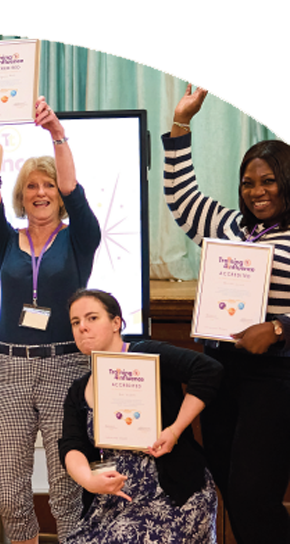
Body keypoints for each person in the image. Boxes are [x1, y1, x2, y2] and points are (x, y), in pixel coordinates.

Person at [163, 83, 290, 543]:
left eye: (268, 180)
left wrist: (279, 327)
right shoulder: (233, 227)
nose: (257, 192)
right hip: (220, 373)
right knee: (231, 490)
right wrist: (181, 122)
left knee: (255, 494)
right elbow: (182, 196)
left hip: (273, 379)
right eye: (248, 182)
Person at [0, 96, 101, 543]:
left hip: (65, 368)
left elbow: (74, 188)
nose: (41, 193)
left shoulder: (79, 238)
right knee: (11, 495)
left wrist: (56, 134)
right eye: (32, 186)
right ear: (23, 195)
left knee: (65, 490)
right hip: (9, 371)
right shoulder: (5, 241)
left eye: (47, 185)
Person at [59, 288, 223, 543]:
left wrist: (174, 430)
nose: (82, 328)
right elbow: (72, 446)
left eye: (92, 318)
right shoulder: (79, 390)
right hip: (113, 503)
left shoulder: (146, 354)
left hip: (173, 495)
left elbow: (208, 370)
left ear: (116, 323)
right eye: (75, 322)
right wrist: (89, 480)